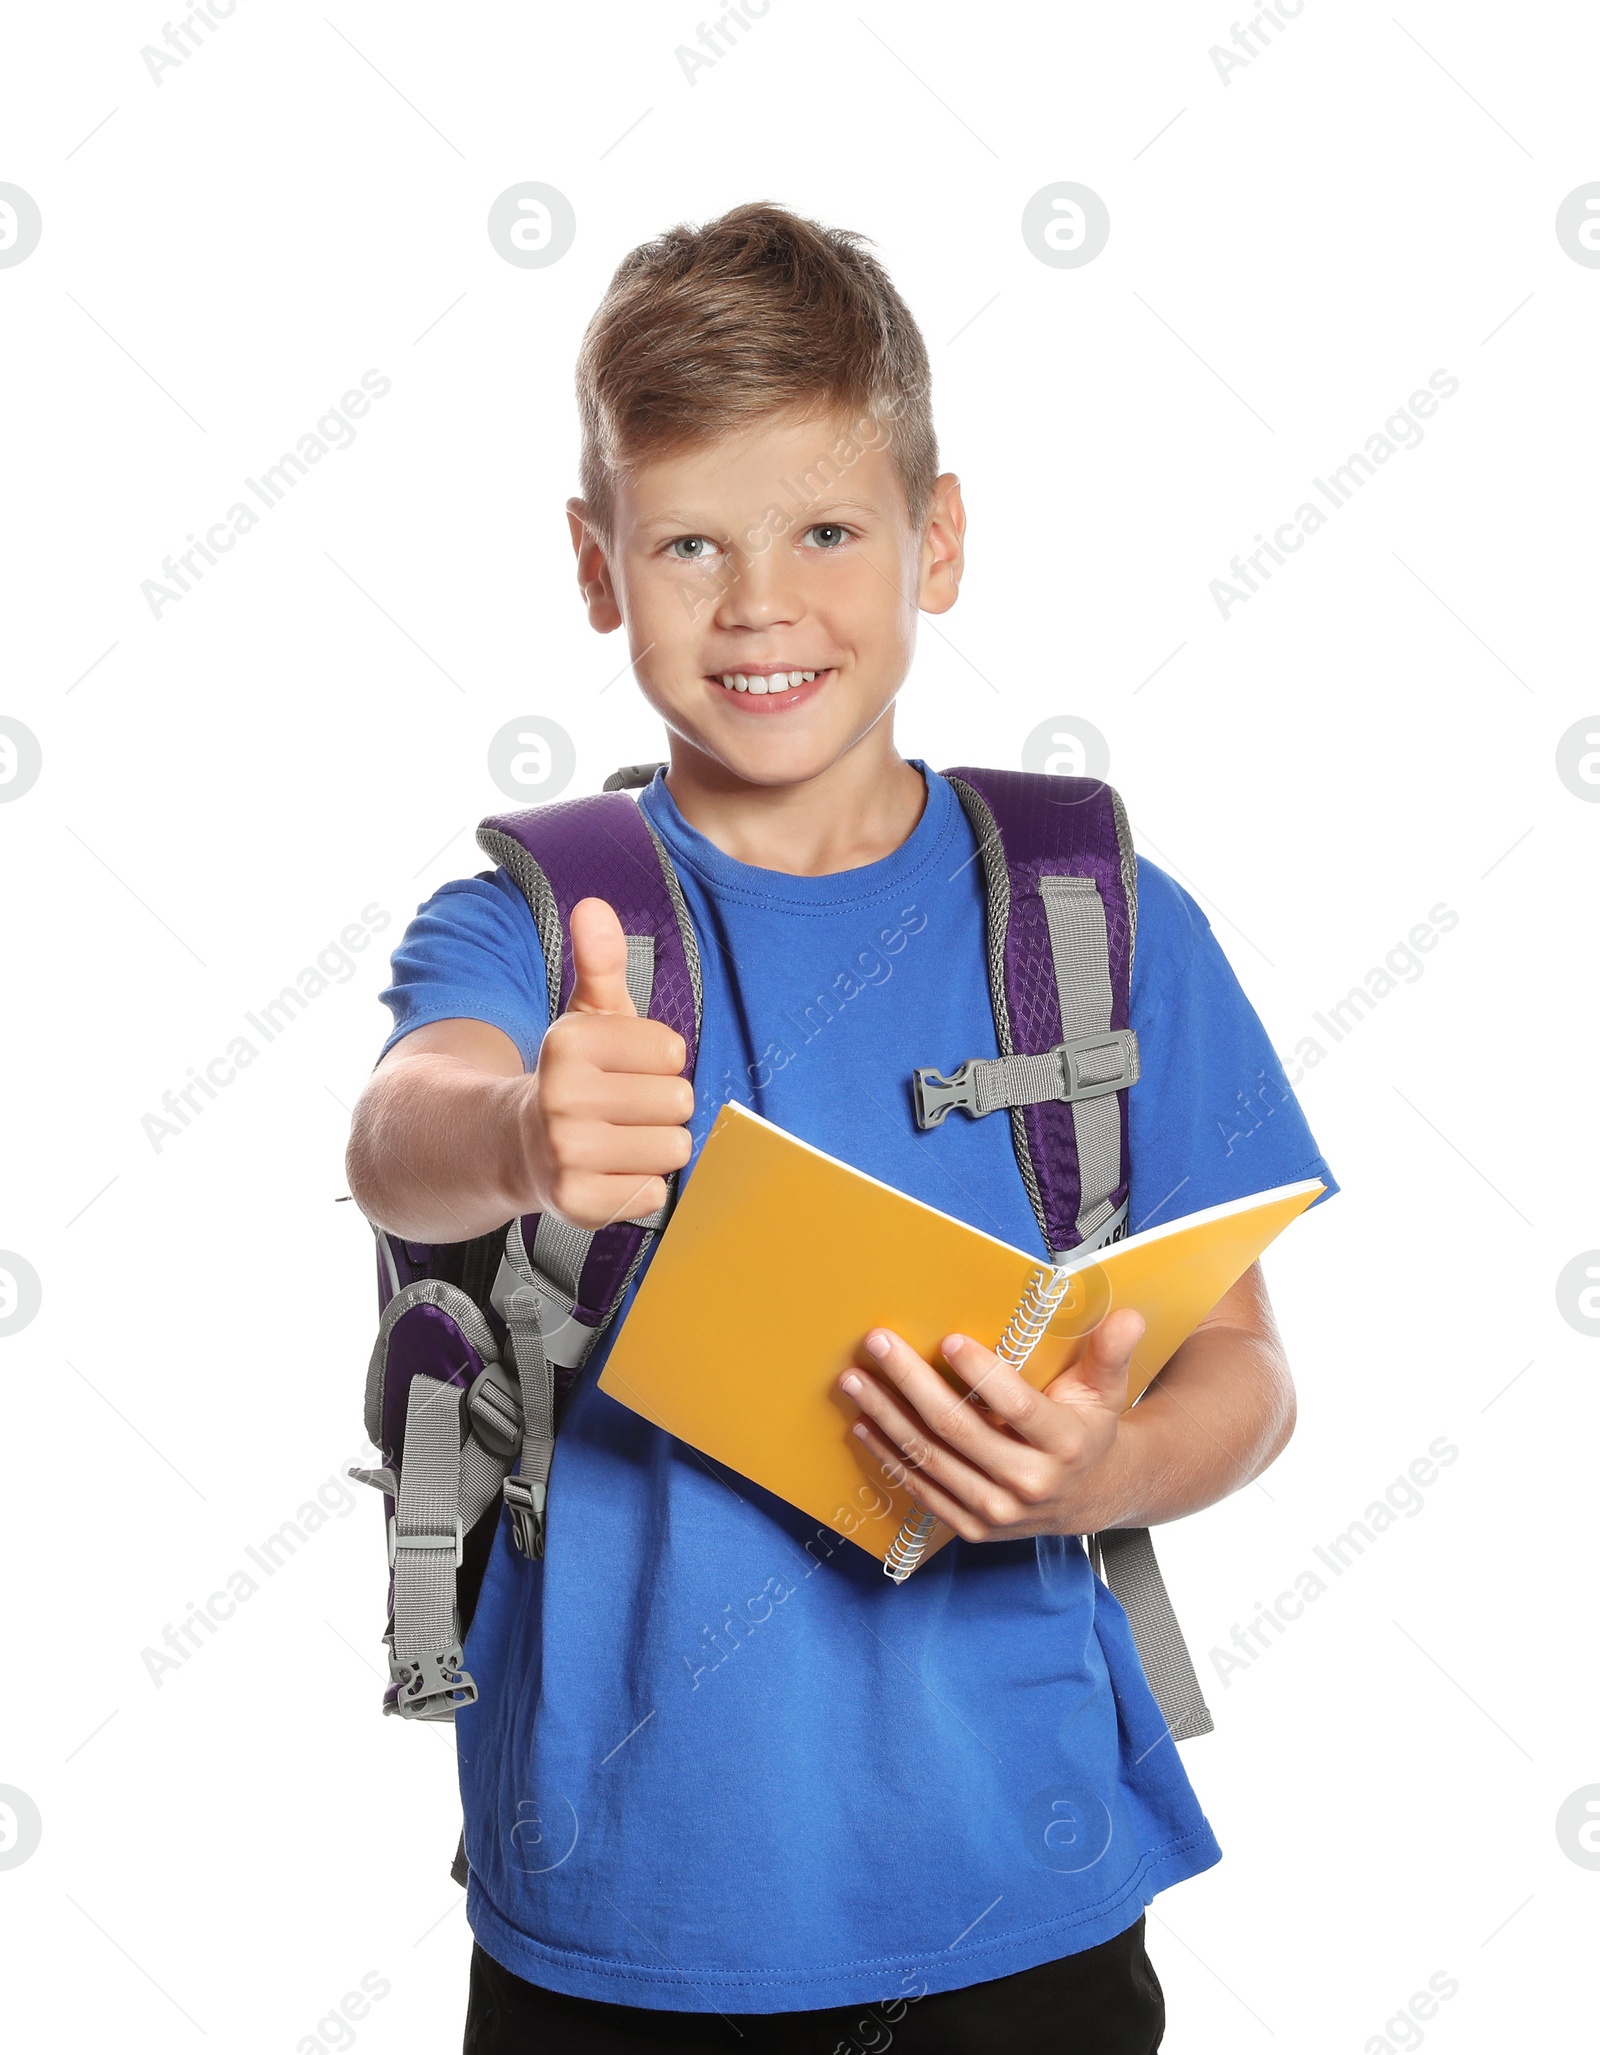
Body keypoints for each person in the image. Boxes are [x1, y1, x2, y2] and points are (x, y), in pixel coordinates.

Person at [344, 201, 1339, 2054]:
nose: (759, 605)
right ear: (596, 565)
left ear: (935, 538)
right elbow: (396, 1128)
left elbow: (1249, 1369)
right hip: (620, 1918)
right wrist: (520, 1133)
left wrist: (1104, 1476)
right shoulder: (541, 921)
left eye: (826, 530)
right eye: (689, 544)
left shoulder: (1101, 922)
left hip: (1022, 1896)